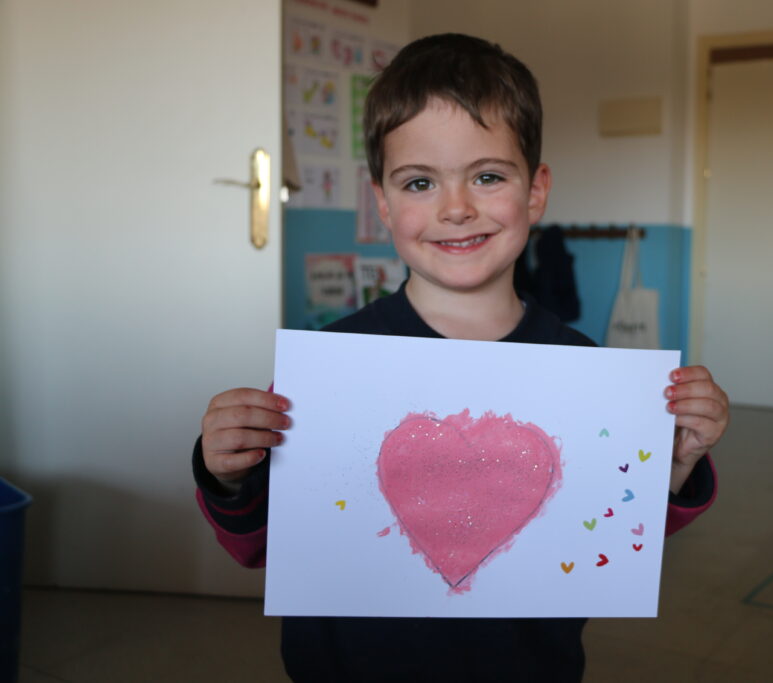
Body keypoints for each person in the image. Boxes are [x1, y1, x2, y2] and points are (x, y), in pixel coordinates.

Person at [194, 33, 729, 683]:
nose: (456, 208)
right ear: (384, 203)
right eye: (420, 181)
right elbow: (262, 546)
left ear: (535, 192)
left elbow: (605, 541)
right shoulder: (333, 371)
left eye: (487, 176)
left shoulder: (586, 374)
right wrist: (226, 472)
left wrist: (672, 466)